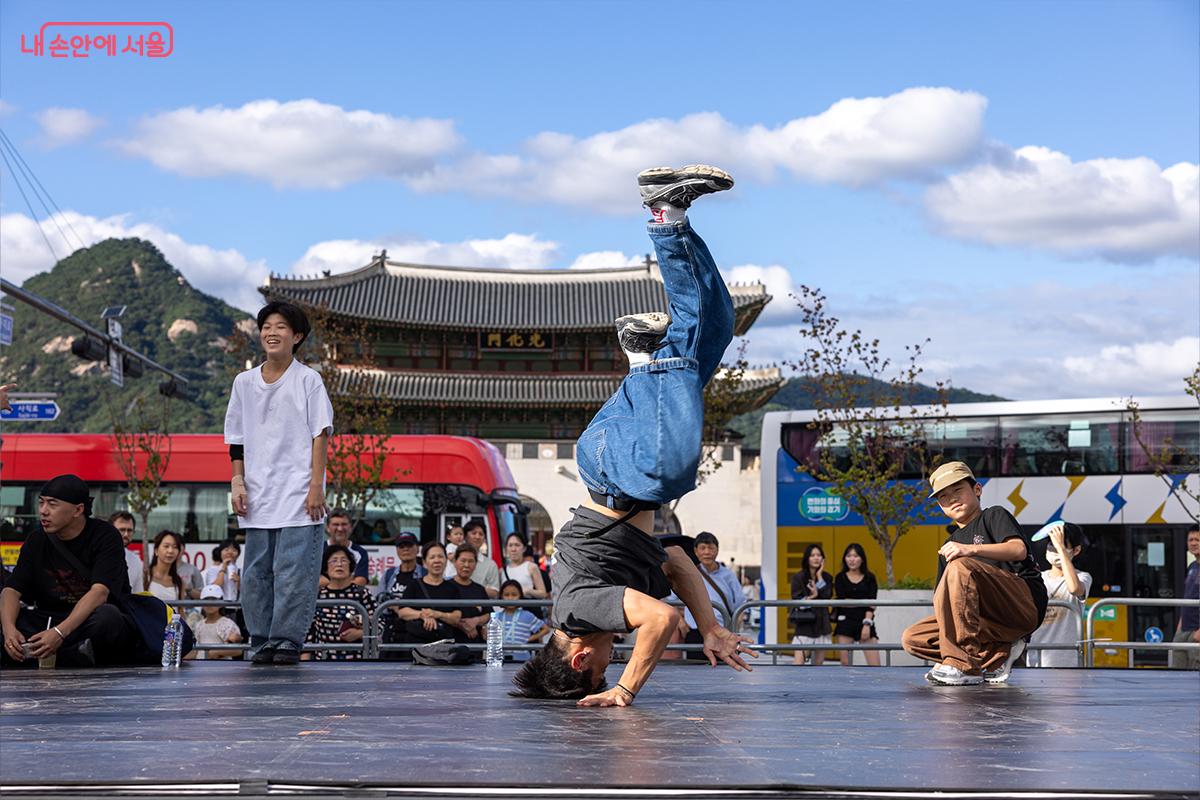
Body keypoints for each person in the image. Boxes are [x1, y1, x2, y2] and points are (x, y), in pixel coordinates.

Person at [510, 165, 754, 707]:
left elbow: (660, 618)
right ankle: (671, 219)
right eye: (612, 669)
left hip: (624, 466)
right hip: (619, 455)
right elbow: (678, 565)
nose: (610, 659)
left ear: (579, 659)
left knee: (673, 471)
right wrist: (711, 628)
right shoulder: (602, 590)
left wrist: (624, 690)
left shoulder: (577, 612)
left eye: (600, 669)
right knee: (711, 329)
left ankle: (642, 355)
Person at [224, 300, 334, 666]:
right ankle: (260, 639)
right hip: (257, 496)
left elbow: (321, 433)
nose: (271, 332)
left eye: (281, 326)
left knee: (292, 573)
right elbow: (235, 438)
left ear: (297, 336)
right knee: (255, 575)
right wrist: (237, 482)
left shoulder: (308, 379)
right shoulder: (244, 382)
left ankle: (286, 640)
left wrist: (316, 484)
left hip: (299, 495)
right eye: (266, 325)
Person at [901, 462, 1048, 686]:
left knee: (961, 566)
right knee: (913, 638)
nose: (951, 499)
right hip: (984, 619)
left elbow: (1018, 550)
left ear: (977, 489)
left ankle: (963, 665)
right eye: (943, 497)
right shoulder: (948, 545)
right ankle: (998, 654)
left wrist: (969, 549)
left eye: (957, 490)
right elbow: (943, 600)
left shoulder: (993, 515)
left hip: (1022, 605)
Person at [1, 474, 138, 668]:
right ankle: (69, 654)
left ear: (78, 509)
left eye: (52, 504)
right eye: (41, 503)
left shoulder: (105, 536)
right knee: (6, 620)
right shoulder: (36, 540)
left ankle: (57, 655)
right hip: (49, 619)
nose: (43, 511)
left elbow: (100, 592)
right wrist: (9, 631)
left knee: (108, 618)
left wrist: (58, 633)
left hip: (88, 619)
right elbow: (12, 590)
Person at [662, 531, 744, 660]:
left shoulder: (728, 576)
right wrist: (681, 621)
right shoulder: (688, 574)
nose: (707, 552)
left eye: (711, 548)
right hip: (695, 631)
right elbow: (671, 600)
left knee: (725, 671)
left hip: (724, 631)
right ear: (695, 551)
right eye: (703, 548)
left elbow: (740, 604)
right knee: (696, 671)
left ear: (717, 550)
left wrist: (735, 628)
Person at [1027, 522, 1092, 668]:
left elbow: (1075, 589)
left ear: (1076, 550)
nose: (1054, 549)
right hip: (1036, 659)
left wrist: (1061, 550)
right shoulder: (1038, 578)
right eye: (1051, 544)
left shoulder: (1083, 577)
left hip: (1068, 660)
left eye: (1060, 545)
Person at [306, 545, 376, 661]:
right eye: (334, 560)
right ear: (325, 567)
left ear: (351, 566)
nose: (339, 564)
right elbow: (308, 633)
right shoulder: (318, 595)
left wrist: (359, 633)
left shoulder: (362, 593)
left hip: (358, 661)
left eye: (344, 560)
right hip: (323, 662)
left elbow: (379, 623)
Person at [393, 541, 462, 648]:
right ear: (424, 562)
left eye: (440, 556)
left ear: (446, 560)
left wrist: (437, 614)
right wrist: (422, 615)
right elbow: (402, 612)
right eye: (432, 557)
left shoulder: (452, 587)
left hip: (444, 646)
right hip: (416, 645)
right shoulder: (414, 585)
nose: (437, 561)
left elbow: (456, 617)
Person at [832, 543, 880, 667]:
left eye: (856, 556)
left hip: (865, 621)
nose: (852, 559)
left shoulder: (870, 577)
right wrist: (862, 602)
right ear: (844, 558)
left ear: (862, 559)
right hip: (845, 621)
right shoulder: (840, 577)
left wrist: (867, 623)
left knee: (875, 664)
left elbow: (872, 603)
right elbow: (842, 601)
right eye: (849, 556)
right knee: (845, 663)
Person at [790, 544, 833, 666]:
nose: (816, 558)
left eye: (819, 555)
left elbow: (827, 596)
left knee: (818, 666)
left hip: (822, 625)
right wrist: (812, 597)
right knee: (798, 664)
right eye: (812, 555)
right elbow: (796, 601)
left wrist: (819, 578)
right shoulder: (798, 578)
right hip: (804, 625)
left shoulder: (827, 578)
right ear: (807, 558)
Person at [494, 580, 552, 663]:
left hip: (522, 658)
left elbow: (546, 629)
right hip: (501, 658)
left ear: (520, 596)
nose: (510, 598)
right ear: (501, 597)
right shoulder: (497, 616)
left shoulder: (527, 615)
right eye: (506, 595)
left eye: (514, 595)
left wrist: (530, 638)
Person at [448, 544, 491, 644]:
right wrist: (462, 625)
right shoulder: (446, 586)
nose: (466, 565)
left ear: (475, 565)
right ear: (455, 562)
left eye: (471, 561)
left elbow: (488, 614)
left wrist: (476, 621)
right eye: (463, 561)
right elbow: (440, 613)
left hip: (475, 645)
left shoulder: (479, 589)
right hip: (451, 645)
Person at [1171, 526, 1199, 670]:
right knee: (1177, 672)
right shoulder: (1192, 566)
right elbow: (1188, 597)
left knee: (1195, 674)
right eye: (1190, 540)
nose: (1193, 543)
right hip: (1184, 629)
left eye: (1197, 540)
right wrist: (1180, 626)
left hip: (1197, 631)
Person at [189, 584, 242, 660]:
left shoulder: (227, 624)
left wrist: (217, 652)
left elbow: (238, 650)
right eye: (206, 600)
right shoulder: (199, 625)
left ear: (221, 603)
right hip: (200, 666)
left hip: (220, 667)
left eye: (214, 599)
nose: (210, 603)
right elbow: (195, 651)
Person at [323, 510, 369, 587]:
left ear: (350, 527)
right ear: (328, 528)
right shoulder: (318, 551)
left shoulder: (360, 553)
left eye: (344, 524)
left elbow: (361, 580)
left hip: (351, 598)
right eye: (335, 525)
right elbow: (315, 581)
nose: (340, 529)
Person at [145, 530, 189, 604]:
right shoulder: (145, 576)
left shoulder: (179, 582)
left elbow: (181, 610)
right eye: (166, 546)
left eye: (175, 547)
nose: (170, 551)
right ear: (156, 550)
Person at [501, 533, 548, 600]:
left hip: (527, 608)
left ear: (524, 548)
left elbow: (543, 593)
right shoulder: (502, 571)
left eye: (517, 545)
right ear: (506, 548)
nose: (513, 549)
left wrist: (528, 591)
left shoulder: (531, 567)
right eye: (510, 545)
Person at [109, 511, 145, 593]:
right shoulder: (96, 555)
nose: (126, 534)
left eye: (129, 530)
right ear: (110, 530)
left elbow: (138, 594)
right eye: (121, 530)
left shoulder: (136, 560)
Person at [465, 521, 501, 598]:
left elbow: (495, 592)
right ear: (465, 536)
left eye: (481, 534)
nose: (477, 537)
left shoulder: (490, 565)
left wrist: (469, 588)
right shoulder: (454, 560)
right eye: (474, 533)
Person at [202, 539, 242, 604]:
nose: (230, 552)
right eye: (226, 550)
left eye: (234, 550)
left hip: (237, 607)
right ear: (220, 552)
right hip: (220, 608)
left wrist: (238, 582)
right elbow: (213, 589)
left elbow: (246, 593)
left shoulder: (241, 571)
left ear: (238, 554)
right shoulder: (213, 570)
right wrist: (223, 568)